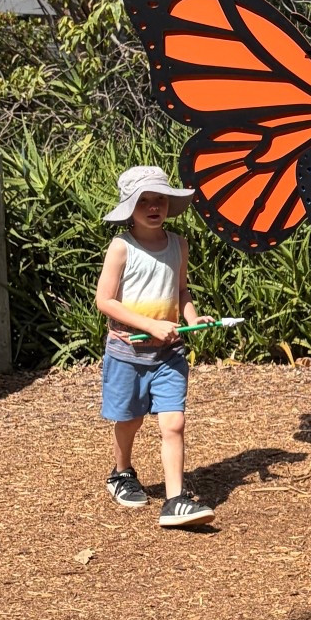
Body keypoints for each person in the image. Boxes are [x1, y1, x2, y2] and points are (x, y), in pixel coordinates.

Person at [94, 164, 216, 527]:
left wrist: (192, 318)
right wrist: (149, 325)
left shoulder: (179, 244)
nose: (153, 206)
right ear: (129, 207)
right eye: (143, 200)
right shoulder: (121, 247)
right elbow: (105, 300)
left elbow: (181, 290)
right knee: (129, 419)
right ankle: (121, 472)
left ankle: (175, 499)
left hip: (169, 354)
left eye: (159, 199)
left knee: (174, 423)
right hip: (127, 353)